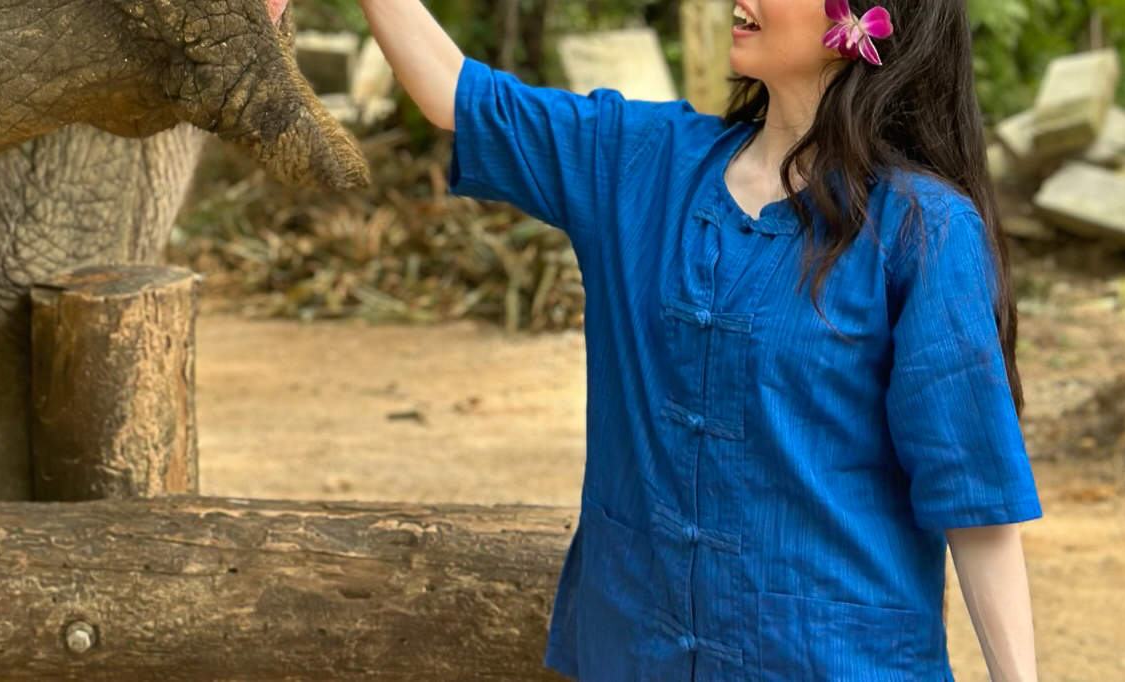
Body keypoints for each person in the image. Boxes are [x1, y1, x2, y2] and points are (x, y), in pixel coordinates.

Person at [356, 0, 1043, 680]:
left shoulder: (922, 228)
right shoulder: (641, 161)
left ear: (856, 18)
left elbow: (974, 500)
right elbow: (457, 95)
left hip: (839, 660)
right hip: (635, 652)